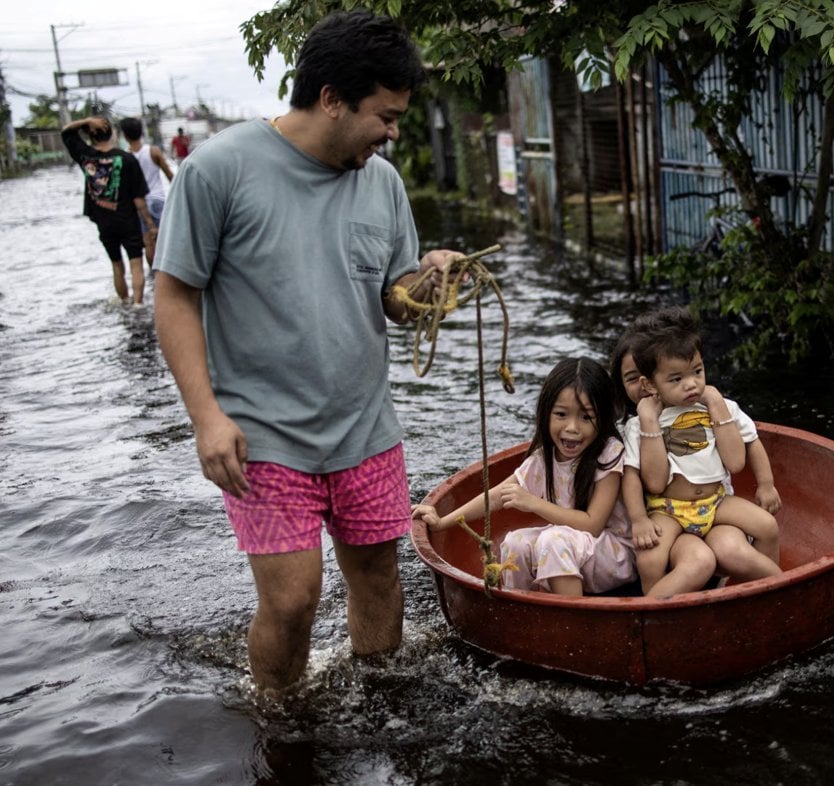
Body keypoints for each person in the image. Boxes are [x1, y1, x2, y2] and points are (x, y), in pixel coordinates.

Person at [153, 10, 461, 694]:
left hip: (365, 426)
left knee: (379, 579)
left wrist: (429, 281)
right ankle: (279, 718)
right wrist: (205, 417)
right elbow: (174, 296)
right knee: (293, 600)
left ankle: (378, 700)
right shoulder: (217, 171)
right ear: (330, 99)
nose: (393, 132)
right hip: (263, 435)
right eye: (385, 115)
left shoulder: (382, 182)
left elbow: (393, 295)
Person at [413, 358, 637, 596]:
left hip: (615, 555)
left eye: (586, 417)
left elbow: (592, 525)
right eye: (561, 414)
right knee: (515, 542)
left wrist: (534, 503)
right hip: (576, 550)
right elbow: (498, 496)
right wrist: (442, 522)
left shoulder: (609, 452)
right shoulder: (545, 458)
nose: (572, 427)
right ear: (545, 414)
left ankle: (571, 623)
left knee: (553, 540)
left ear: (602, 419)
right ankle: (523, 616)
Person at [610, 311, 782, 597]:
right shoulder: (639, 423)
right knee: (650, 557)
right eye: (676, 379)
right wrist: (639, 519)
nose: (691, 384)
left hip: (715, 501)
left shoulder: (718, 404)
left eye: (697, 372)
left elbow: (745, 449)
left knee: (767, 524)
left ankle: (775, 591)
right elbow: (636, 476)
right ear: (650, 385)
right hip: (668, 509)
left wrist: (765, 484)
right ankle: (647, 615)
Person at [61, 115, 158, 305]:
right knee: (136, 263)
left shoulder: (85, 156)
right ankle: (138, 305)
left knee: (116, 265)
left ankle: (124, 301)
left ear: (90, 136)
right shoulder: (127, 159)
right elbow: (138, 199)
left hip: (103, 221)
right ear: (112, 134)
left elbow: (66, 131)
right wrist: (149, 224)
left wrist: (86, 121)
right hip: (128, 220)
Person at [118, 117, 173, 266]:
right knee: (165, 241)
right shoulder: (153, 151)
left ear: (124, 135)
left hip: (139, 204)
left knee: (148, 242)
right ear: (142, 132)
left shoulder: (124, 157)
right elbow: (170, 175)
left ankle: (154, 276)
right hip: (158, 199)